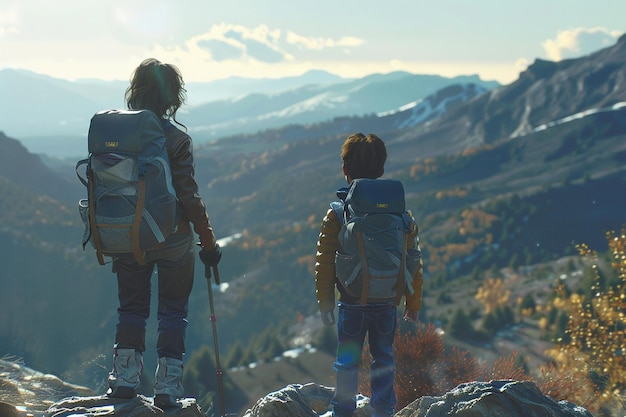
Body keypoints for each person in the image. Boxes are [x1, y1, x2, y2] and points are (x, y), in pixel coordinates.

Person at [106, 58, 222, 410]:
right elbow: (188, 196)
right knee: (173, 311)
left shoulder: (116, 136)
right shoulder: (177, 140)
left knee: (131, 307)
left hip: (128, 237)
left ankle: (125, 380)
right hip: (172, 239)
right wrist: (208, 240)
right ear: (173, 96)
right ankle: (167, 387)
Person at [314, 132, 423, 417]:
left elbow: (325, 263)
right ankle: (384, 411)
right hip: (387, 301)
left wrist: (325, 303)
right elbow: (413, 260)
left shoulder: (338, 214)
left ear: (345, 170)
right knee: (384, 359)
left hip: (351, 301)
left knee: (347, 362)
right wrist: (412, 303)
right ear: (381, 169)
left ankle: (344, 411)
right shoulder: (403, 216)